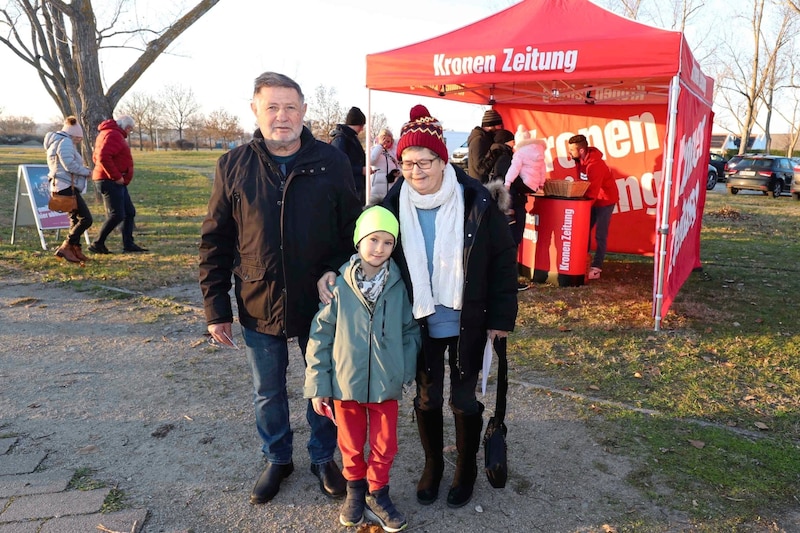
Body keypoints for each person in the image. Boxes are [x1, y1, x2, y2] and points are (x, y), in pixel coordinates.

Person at [199, 71, 362, 506]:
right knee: (267, 389)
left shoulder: (333, 162)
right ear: (255, 110)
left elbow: (353, 232)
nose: (282, 116)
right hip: (258, 298)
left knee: (322, 385)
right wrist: (216, 309)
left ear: (304, 111)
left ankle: (323, 456)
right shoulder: (232, 165)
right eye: (272, 106)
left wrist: (335, 269)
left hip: (321, 302)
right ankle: (277, 458)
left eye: (290, 107)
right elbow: (215, 241)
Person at [382, 104, 518, 509]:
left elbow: (502, 261)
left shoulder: (475, 201)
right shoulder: (390, 207)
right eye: (407, 162)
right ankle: (433, 465)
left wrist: (502, 318)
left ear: (444, 161)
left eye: (425, 161)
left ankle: (465, 468)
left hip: (466, 318)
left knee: (462, 398)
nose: (416, 171)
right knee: (426, 398)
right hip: (417, 321)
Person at [304, 205, 419, 532]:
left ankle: (377, 493)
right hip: (345, 385)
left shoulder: (398, 286)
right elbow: (321, 336)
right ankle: (355, 490)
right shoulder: (338, 286)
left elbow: (410, 331)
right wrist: (318, 384)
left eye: (387, 242)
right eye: (373, 239)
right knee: (351, 445)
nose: (379, 248)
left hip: (386, 386)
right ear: (358, 241)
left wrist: (403, 369)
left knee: (385, 445)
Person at [89, 115, 148, 254]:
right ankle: (97, 243)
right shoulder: (113, 135)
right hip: (110, 180)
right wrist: (115, 176)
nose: (130, 132)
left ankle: (128, 243)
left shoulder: (106, 133)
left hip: (111, 180)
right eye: (130, 130)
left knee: (129, 212)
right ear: (127, 127)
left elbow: (95, 156)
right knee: (117, 215)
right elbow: (103, 157)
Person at [567, 134, 619, 280]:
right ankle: (582, 261)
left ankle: (596, 267)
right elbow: (581, 183)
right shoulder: (578, 160)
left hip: (605, 200)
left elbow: (593, 192)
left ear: (581, 150)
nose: (569, 152)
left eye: (572, 149)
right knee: (583, 230)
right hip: (593, 199)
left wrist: (581, 207)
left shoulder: (595, 165)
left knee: (600, 234)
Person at [486, 128, 532, 291]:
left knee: (505, 244)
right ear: (507, 142)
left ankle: (502, 279)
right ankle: (510, 282)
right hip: (511, 206)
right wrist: (530, 187)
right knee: (511, 244)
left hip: (504, 206)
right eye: (512, 141)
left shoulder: (496, 156)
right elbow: (513, 183)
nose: (515, 144)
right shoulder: (505, 159)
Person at [44, 116, 93, 264]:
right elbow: (69, 165)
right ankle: (66, 246)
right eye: (78, 138)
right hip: (66, 186)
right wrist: (87, 172)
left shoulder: (58, 141)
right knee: (86, 219)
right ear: (73, 134)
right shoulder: (65, 142)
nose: (79, 141)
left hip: (62, 184)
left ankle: (75, 249)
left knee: (74, 219)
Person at [331, 106, 368, 204]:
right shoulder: (341, 140)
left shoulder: (351, 138)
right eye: (362, 125)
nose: (362, 129)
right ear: (357, 124)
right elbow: (338, 165)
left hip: (356, 186)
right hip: (349, 188)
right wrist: (361, 170)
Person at [466, 108, 503, 181]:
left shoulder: (486, 138)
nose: (500, 128)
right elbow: (480, 168)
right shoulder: (479, 140)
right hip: (480, 186)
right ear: (491, 125)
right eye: (499, 125)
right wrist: (495, 151)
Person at [368, 128, 400, 205]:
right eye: (384, 141)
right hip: (376, 188)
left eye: (388, 141)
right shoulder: (373, 149)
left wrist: (397, 173)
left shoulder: (393, 152)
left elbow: (400, 166)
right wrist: (380, 146)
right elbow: (371, 160)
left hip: (390, 186)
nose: (386, 143)